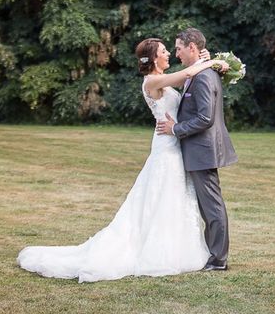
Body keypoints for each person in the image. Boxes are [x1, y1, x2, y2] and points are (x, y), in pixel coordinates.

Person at [16, 38, 228, 282]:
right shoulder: (152, 81)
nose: (169, 53)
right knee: (161, 196)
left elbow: (190, 77)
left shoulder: (163, 80)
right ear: (153, 58)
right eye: (164, 51)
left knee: (172, 197)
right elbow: (189, 72)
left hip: (174, 143)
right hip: (166, 147)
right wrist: (213, 61)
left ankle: (178, 248)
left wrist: (206, 61)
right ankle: (157, 251)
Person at [156, 27, 237, 271]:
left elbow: (205, 118)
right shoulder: (199, 72)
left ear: (192, 47)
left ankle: (218, 259)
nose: (176, 53)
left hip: (203, 150)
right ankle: (213, 254)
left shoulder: (202, 77)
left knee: (212, 207)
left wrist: (175, 129)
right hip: (199, 150)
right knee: (207, 206)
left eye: (179, 48)